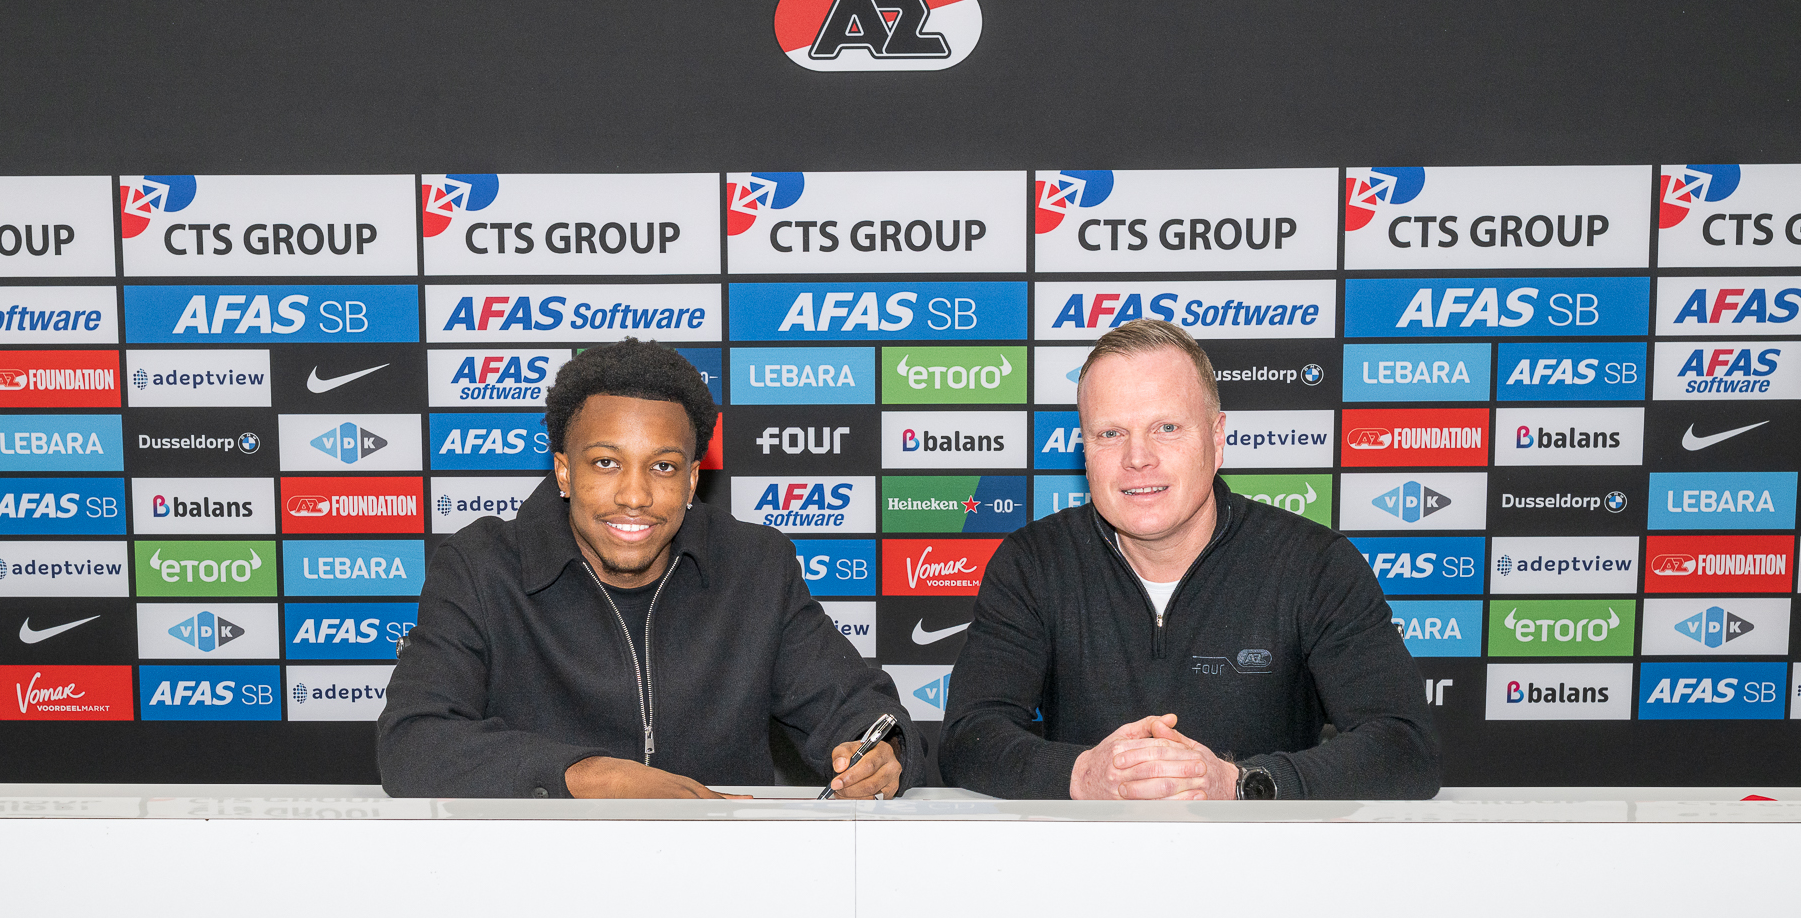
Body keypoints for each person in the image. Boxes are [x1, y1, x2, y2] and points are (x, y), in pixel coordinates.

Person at [378, 340, 919, 798]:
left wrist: (878, 754)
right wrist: (591, 777)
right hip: (536, 870)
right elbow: (414, 741)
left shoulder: (755, 566)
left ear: (691, 479)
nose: (634, 496)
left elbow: (864, 711)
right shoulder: (480, 567)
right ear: (564, 472)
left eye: (662, 466)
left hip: (721, 870)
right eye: (606, 463)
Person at [939, 319, 1440, 801]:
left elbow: (1406, 746)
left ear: (1217, 439)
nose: (1138, 457)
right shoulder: (1033, 563)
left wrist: (1239, 785)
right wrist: (1082, 776)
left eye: (1167, 427)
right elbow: (969, 736)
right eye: (1110, 434)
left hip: (1266, 854)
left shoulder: (1315, 565)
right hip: (1083, 855)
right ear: (1084, 449)